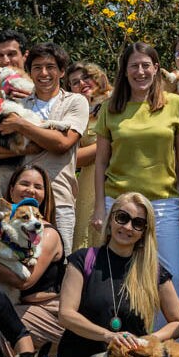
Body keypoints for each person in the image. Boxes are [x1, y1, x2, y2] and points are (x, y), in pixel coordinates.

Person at [90, 42, 179, 323]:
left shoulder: (174, 104)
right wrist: (100, 207)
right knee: (117, 277)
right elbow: (101, 161)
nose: (140, 71)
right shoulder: (111, 109)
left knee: (170, 277)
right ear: (125, 72)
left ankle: (176, 349)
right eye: (134, 66)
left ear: (156, 69)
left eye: (146, 65)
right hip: (119, 203)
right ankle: (118, 346)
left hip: (162, 203)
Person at [59, 192, 179, 357]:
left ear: (144, 232)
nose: (128, 227)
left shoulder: (152, 270)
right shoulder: (83, 259)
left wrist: (150, 340)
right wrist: (107, 335)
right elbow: (65, 315)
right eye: (122, 218)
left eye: (138, 223)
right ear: (110, 220)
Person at [0, 42, 89, 252]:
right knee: (19, 258)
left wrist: (21, 125)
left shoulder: (76, 102)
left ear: (62, 71)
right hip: (21, 203)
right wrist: (26, 149)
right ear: (29, 72)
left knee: (62, 260)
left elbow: (62, 144)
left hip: (59, 197)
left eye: (50, 67)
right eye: (37, 67)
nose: (44, 73)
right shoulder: (18, 105)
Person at [0, 165, 65, 351]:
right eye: (25, 184)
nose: (31, 190)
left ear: (45, 194)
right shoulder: (4, 228)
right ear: (12, 188)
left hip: (44, 308)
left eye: (38, 187)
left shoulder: (46, 234)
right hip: (16, 304)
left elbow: (24, 281)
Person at [66, 61, 111, 251]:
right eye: (75, 82)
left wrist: (101, 147)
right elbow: (71, 155)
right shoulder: (76, 113)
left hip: (115, 179)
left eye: (86, 77)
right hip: (88, 183)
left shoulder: (115, 102)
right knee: (85, 241)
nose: (82, 83)